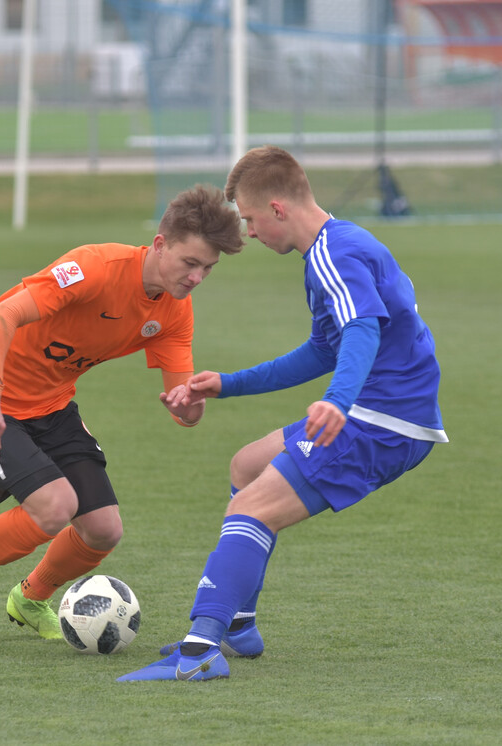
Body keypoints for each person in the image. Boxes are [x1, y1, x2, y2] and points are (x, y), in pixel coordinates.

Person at [118, 145, 448, 682]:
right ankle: (239, 622)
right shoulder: (339, 245)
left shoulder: (331, 254)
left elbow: (362, 330)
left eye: (249, 219)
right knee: (247, 466)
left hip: (378, 420)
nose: (247, 232)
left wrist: (338, 403)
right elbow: (324, 349)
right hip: (382, 410)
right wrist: (227, 384)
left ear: (277, 208)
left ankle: (201, 649)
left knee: (249, 509)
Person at [0, 184, 245, 646]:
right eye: (190, 262)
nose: (197, 277)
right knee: (54, 507)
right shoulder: (93, 269)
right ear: (160, 244)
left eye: (208, 268)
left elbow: (184, 408)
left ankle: (30, 597)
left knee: (103, 530)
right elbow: (2, 316)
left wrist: (191, 404)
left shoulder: (175, 311)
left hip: (53, 405)